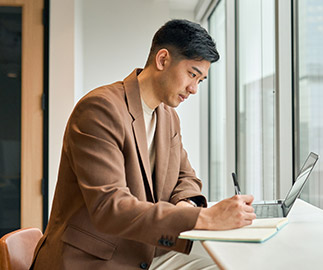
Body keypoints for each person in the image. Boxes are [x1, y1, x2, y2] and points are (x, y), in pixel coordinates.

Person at [32, 19, 256, 270]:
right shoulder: (100, 109)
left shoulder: (168, 117)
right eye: (192, 74)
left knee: (230, 262)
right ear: (162, 60)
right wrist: (203, 218)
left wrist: (185, 204)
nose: (193, 89)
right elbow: (110, 208)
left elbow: (187, 177)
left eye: (200, 81)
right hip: (92, 260)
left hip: (144, 250)